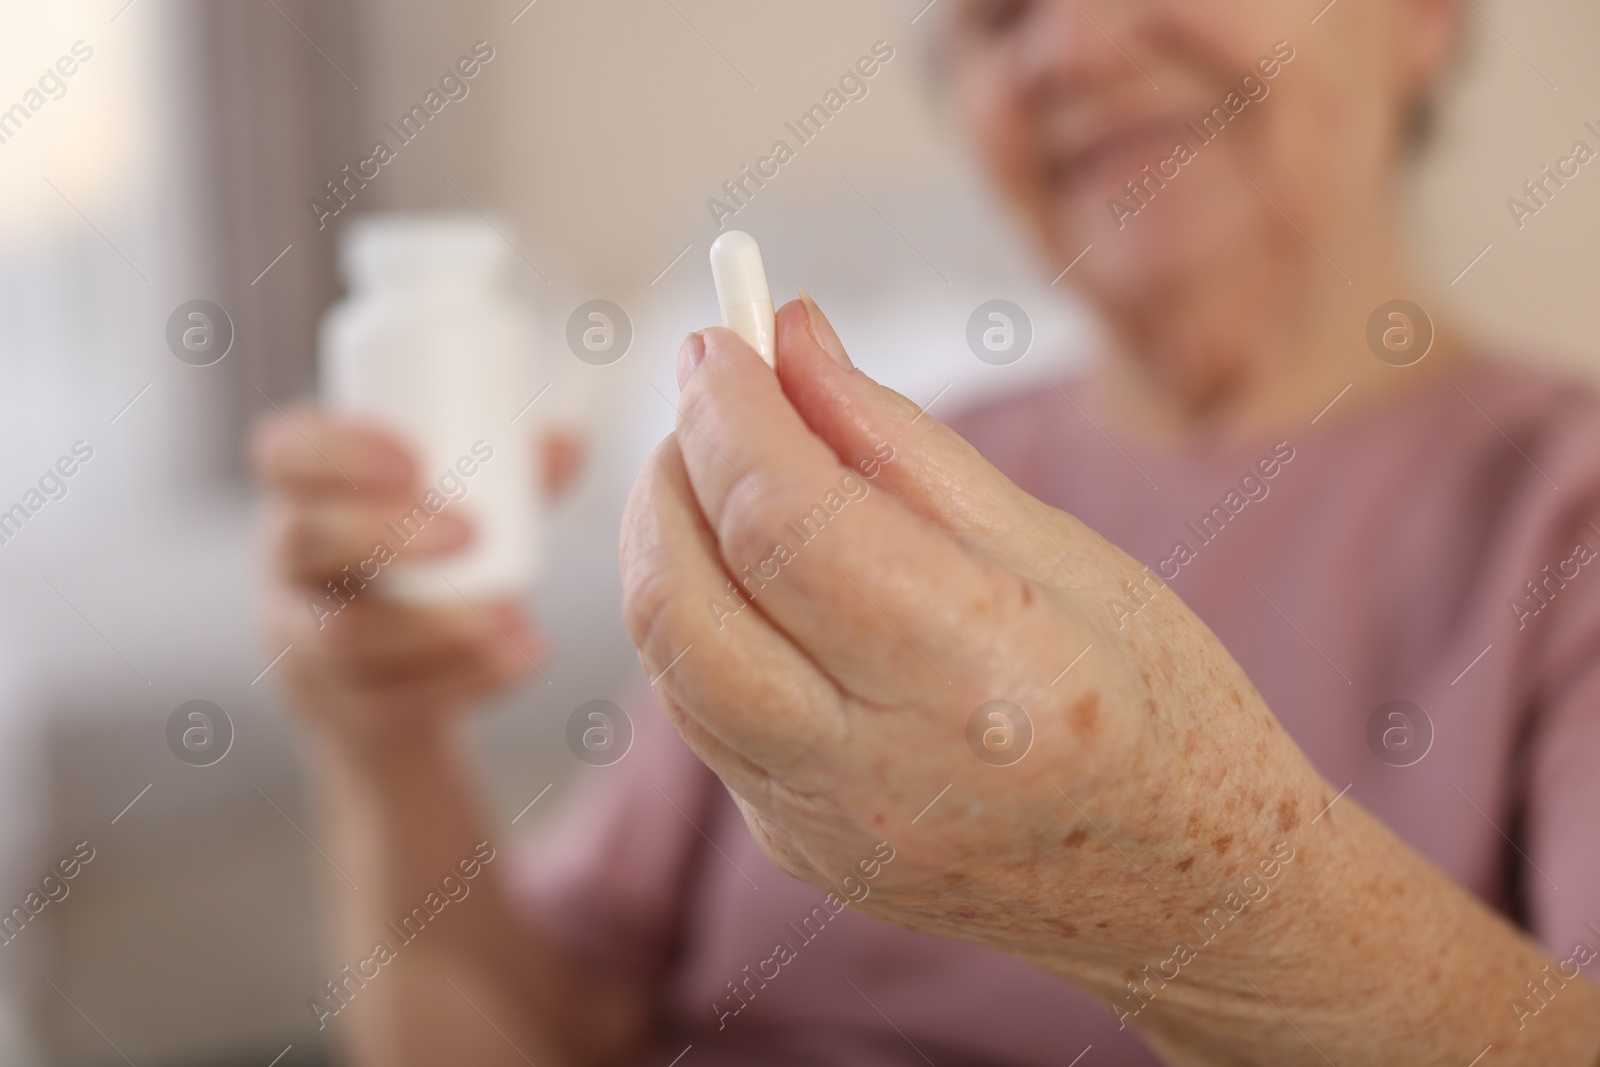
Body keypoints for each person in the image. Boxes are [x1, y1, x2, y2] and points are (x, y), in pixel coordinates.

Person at [255, 0, 1600, 1063]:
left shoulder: (1562, 509)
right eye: (997, 13)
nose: (1069, 45)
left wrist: (1177, 885)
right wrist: (385, 745)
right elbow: (534, 1039)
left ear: (1425, 13)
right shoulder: (882, 476)